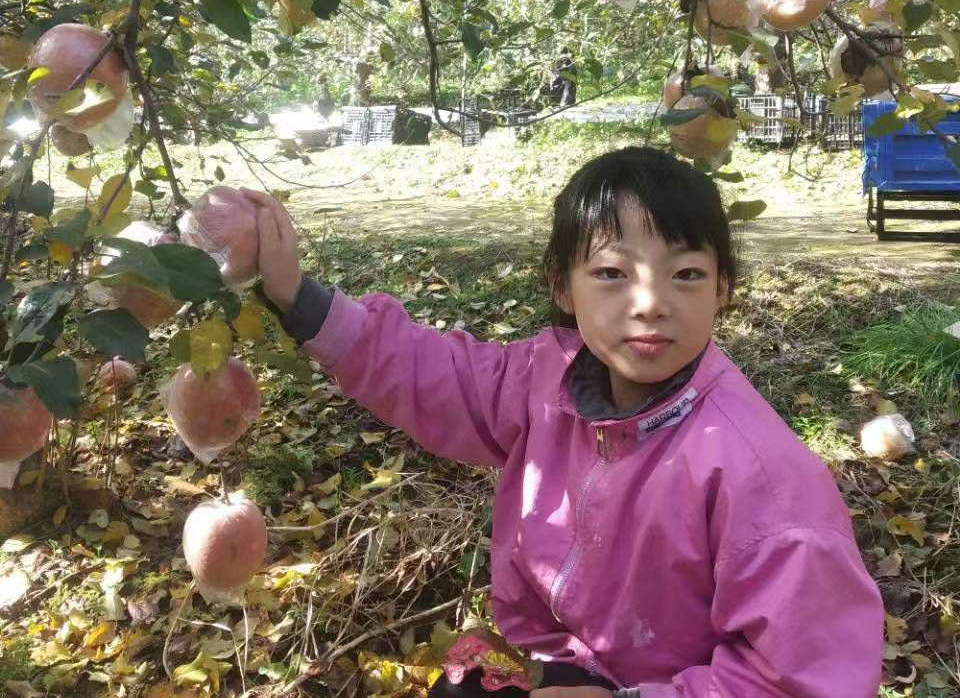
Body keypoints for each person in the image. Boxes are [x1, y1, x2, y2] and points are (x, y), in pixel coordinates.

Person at [243, 146, 883, 698]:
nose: (651, 303)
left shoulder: (762, 480)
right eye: (611, 273)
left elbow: (804, 676)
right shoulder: (542, 382)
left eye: (687, 274)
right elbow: (430, 373)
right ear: (562, 285)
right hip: (562, 664)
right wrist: (299, 300)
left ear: (724, 288)